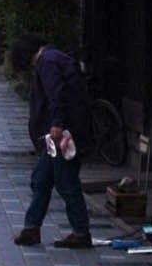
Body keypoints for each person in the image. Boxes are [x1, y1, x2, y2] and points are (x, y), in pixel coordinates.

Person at [15, 40, 94, 249]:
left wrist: (57, 124)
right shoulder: (55, 58)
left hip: (62, 134)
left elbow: (56, 94)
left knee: (66, 181)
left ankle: (81, 232)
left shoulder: (47, 62)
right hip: (57, 135)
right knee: (41, 179)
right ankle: (32, 228)